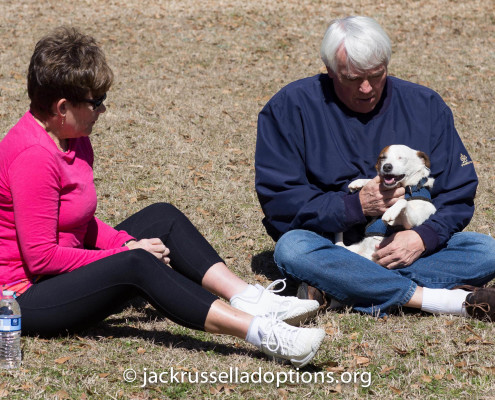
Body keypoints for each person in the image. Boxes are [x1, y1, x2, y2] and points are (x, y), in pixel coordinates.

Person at [0, 27, 325, 368]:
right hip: (26, 297)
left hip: (63, 269)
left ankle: (251, 300)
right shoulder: (33, 156)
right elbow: (40, 259)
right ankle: (265, 333)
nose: (103, 110)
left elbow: (77, 222)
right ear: (62, 107)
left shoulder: (73, 136)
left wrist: (123, 241)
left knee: (162, 217)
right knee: (138, 262)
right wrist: (125, 253)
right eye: (95, 102)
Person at [255, 16, 495, 321]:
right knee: (292, 250)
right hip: (332, 246)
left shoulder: (426, 106)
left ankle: (336, 289)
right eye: (353, 78)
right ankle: (440, 300)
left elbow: (457, 189)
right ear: (330, 71)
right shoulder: (289, 108)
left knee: (486, 251)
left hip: (405, 244)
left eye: (377, 75)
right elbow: (280, 201)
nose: (367, 88)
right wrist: (354, 206)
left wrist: (423, 237)